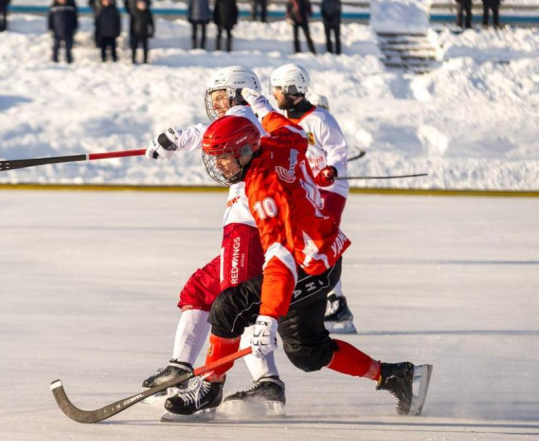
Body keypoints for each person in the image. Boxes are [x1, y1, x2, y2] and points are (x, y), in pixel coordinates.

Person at [163, 113, 432, 418]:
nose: (219, 165)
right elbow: (292, 129)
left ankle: (210, 388)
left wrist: (267, 316)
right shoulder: (276, 142)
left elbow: (280, 258)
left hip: (307, 264)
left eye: (224, 156)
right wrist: (259, 104)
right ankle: (396, 376)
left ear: (244, 151)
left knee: (228, 306)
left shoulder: (264, 189)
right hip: (324, 255)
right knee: (307, 352)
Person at [142, 66, 286, 413]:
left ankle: (218, 385)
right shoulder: (252, 120)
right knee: (200, 290)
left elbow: (212, 131)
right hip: (245, 227)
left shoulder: (245, 116)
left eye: (221, 96)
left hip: (247, 228)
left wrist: (177, 138)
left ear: (238, 94)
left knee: (235, 304)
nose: (217, 104)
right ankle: (183, 366)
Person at [266, 64, 356, 334]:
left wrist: (333, 170)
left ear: (292, 91)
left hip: (330, 190)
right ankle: (333, 302)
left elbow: (338, 150)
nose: (273, 94)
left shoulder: (320, 120)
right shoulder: (282, 120)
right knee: (304, 244)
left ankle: (335, 303)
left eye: (278, 89)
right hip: (309, 192)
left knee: (319, 243)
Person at [129, 0, 154, 64]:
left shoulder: (147, 13)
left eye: (143, 5)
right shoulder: (134, 13)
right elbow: (131, 24)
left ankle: (145, 60)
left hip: (144, 33)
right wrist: (131, 32)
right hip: (135, 33)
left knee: (145, 47)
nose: (141, 6)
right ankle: (133, 59)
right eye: (140, 4)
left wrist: (151, 32)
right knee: (134, 47)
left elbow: (151, 24)